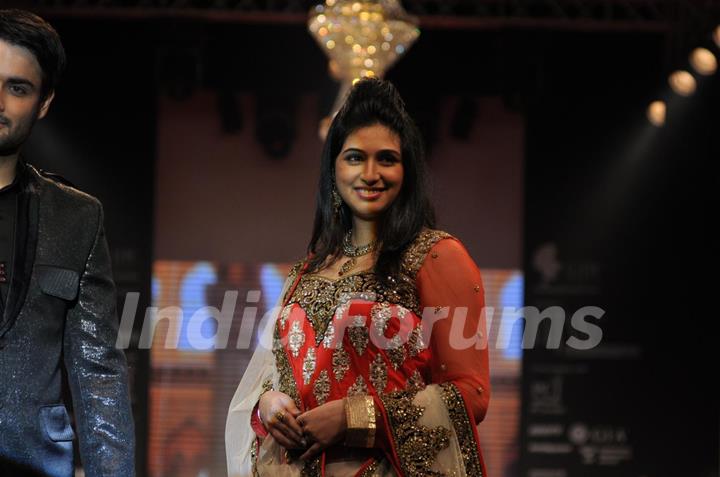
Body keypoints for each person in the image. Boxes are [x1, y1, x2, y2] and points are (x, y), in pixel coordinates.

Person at [226, 78, 489, 476]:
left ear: (408, 171)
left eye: (386, 158)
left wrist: (355, 417)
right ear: (333, 169)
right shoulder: (305, 272)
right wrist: (268, 405)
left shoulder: (435, 256)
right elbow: (272, 377)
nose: (370, 173)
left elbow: (471, 395)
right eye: (354, 157)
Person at [0, 9, 134, 477]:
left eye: (17, 87)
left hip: (35, 462)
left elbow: (97, 372)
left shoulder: (76, 216)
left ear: (43, 102)